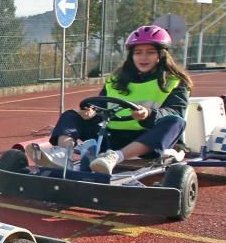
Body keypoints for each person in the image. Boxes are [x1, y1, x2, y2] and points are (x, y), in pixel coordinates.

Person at [12, 25, 193, 176]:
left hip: (147, 142)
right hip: (110, 137)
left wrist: (148, 115)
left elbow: (174, 111)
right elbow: (101, 105)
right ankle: (62, 155)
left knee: (176, 121)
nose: (143, 57)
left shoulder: (174, 81)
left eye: (150, 52)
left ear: (160, 55)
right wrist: (91, 111)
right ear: (132, 56)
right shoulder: (116, 80)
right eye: (138, 52)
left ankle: (116, 157)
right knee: (71, 115)